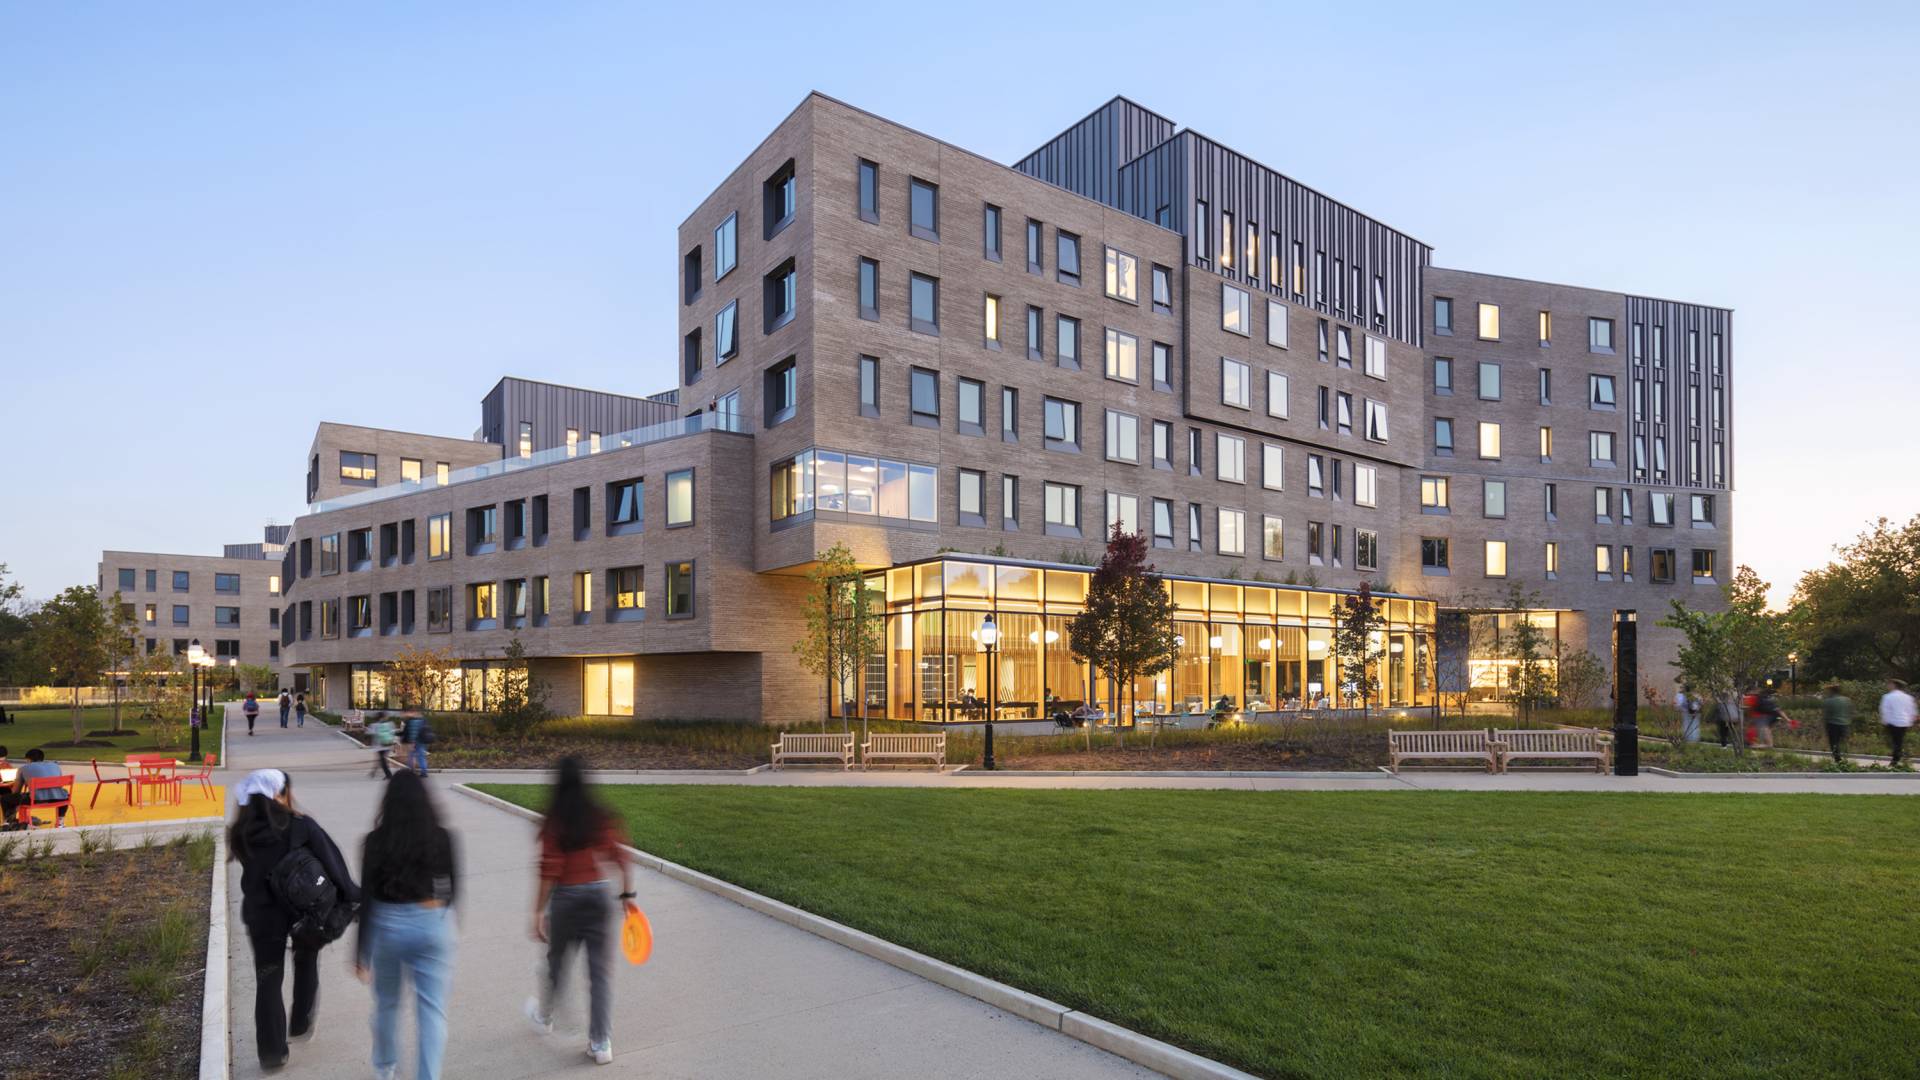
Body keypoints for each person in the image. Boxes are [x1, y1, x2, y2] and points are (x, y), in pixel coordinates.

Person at [229, 769, 359, 1072]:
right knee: (306, 957)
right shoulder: (300, 826)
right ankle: (300, 1022)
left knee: (268, 979)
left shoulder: (240, 831)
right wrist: (355, 897)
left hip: (262, 918)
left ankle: (272, 1053)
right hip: (305, 913)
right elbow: (334, 865)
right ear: (280, 793)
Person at [525, 757, 633, 1067]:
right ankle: (601, 1043)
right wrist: (627, 895)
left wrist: (536, 912)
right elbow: (621, 856)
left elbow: (549, 870)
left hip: (567, 899)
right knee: (600, 974)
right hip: (598, 896)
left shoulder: (554, 821)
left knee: (556, 961)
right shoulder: (599, 815)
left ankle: (546, 1016)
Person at [357, 770, 460, 1080]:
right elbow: (451, 889)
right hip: (430, 921)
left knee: (386, 1004)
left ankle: (385, 1068)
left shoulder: (374, 841)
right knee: (431, 1011)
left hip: (387, 925)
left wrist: (360, 954)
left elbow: (368, 898)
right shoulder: (442, 837)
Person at [8, 748, 71, 827]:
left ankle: (9, 823)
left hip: (37, 799)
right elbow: (59, 785)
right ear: (42, 758)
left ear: (28, 759)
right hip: (59, 799)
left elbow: (16, 791)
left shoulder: (23, 768)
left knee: (7, 799)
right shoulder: (55, 766)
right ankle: (60, 821)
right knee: (64, 793)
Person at [1880, 678, 1915, 767]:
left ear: (1894, 685)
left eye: (1889, 684)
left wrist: (1885, 721)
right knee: (1899, 741)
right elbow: (1911, 710)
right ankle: (1901, 756)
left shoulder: (1888, 696)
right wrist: (1910, 721)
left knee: (1895, 742)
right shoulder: (1908, 697)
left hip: (1893, 722)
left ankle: (1895, 760)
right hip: (1904, 722)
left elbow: (1885, 710)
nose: (1888, 686)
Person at [1820, 685, 1853, 763]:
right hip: (1845, 724)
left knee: (1834, 743)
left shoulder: (1828, 701)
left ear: (1832, 691)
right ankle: (1845, 757)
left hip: (1832, 724)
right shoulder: (1847, 700)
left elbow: (1826, 715)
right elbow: (1850, 712)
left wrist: (1825, 725)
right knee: (1843, 741)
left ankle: (1838, 760)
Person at [368, 713, 397, 780]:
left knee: (382, 760)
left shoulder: (374, 725)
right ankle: (375, 772)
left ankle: (388, 774)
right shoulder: (390, 724)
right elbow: (393, 733)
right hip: (387, 744)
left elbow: (370, 733)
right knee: (382, 759)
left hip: (379, 746)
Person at [403, 711, 430, 777]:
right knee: (421, 756)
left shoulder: (411, 721)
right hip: (421, 741)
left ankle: (411, 771)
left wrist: (411, 742)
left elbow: (410, 732)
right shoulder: (423, 721)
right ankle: (424, 772)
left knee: (411, 756)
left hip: (413, 742)